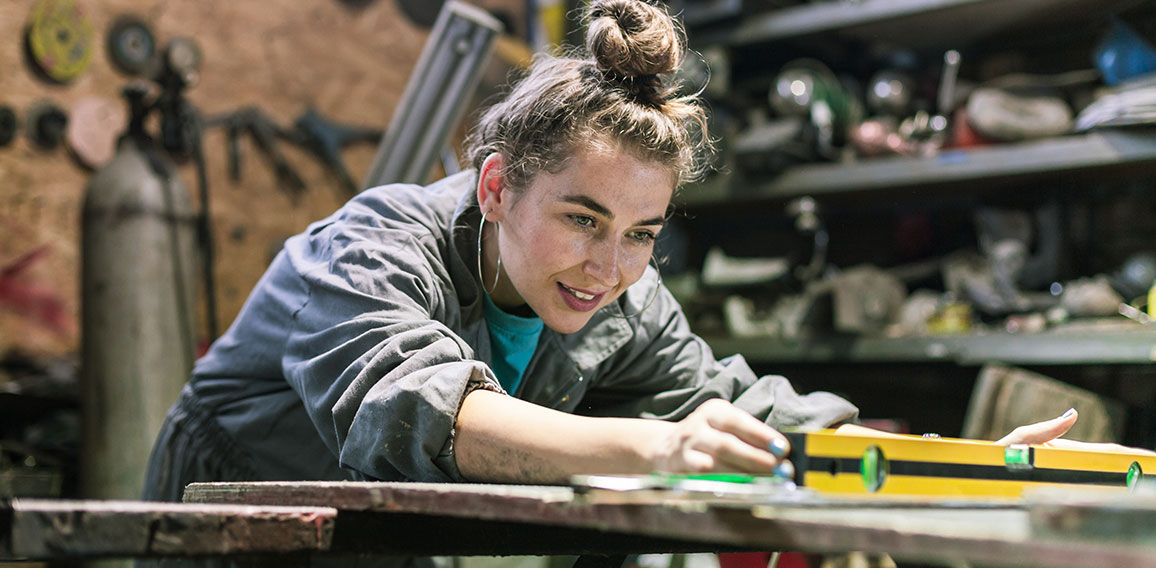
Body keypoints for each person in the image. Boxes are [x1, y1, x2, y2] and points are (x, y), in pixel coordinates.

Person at [142, 0, 1089, 503]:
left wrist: (946, 463)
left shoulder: (622, 299)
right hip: (221, 537)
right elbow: (426, 417)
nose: (611, 266)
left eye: (642, 233)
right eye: (584, 219)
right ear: (497, 186)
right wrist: (663, 448)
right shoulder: (369, 248)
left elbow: (738, 410)